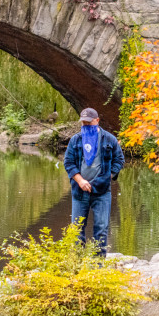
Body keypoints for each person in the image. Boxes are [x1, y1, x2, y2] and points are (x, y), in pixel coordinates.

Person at [64, 107, 125, 257]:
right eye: (83, 123)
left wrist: (107, 177)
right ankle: (77, 262)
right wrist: (80, 180)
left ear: (97, 121)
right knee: (77, 229)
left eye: (89, 122)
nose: (86, 125)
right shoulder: (76, 140)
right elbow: (68, 163)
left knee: (101, 228)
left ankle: (98, 264)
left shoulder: (109, 139)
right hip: (80, 191)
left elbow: (119, 160)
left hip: (102, 191)